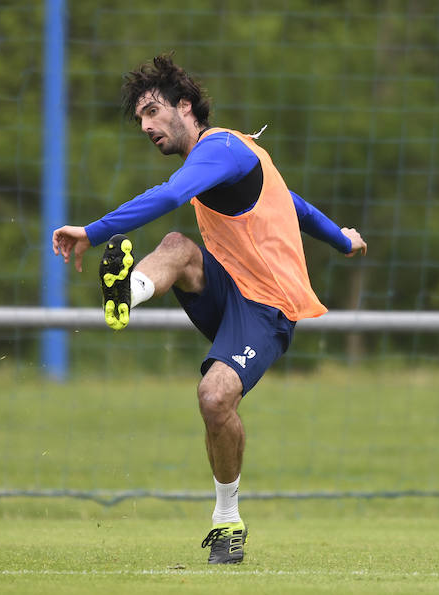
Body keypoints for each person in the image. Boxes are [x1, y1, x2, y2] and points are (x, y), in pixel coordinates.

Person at [52, 53, 366, 564]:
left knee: (214, 399)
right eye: (139, 120)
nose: (146, 126)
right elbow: (297, 203)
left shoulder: (221, 148)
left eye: (153, 112)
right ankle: (125, 295)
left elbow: (173, 193)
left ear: (185, 106)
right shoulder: (217, 159)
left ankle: (227, 521)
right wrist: (342, 241)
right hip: (227, 290)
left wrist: (92, 231)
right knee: (177, 247)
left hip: (268, 306)